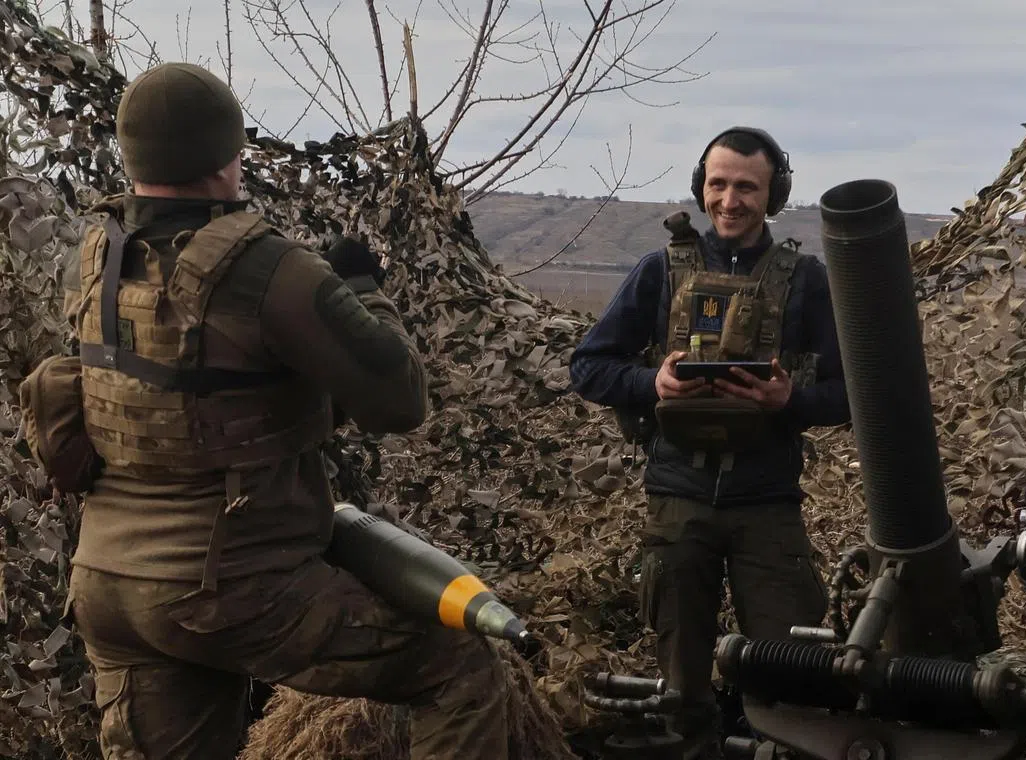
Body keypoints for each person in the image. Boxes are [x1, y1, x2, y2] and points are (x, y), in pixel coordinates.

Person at [37, 62, 508, 759]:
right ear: (228, 156)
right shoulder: (264, 268)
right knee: (459, 665)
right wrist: (363, 288)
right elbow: (399, 400)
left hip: (109, 586)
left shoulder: (97, 256)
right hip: (230, 588)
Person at [568, 126, 851, 749]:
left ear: (773, 195)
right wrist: (654, 384)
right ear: (701, 188)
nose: (730, 200)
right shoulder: (660, 270)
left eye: (747, 187)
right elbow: (587, 367)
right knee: (682, 689)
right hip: (679, 499)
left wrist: (790, 400)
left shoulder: (806, 279)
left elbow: (853, 395)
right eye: (718, 184)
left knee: (784, 674)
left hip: (768, 502)